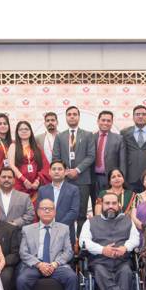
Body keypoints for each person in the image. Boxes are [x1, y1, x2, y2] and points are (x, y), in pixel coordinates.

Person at [17, 199, 77, 290]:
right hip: (35, 265)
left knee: (72, 278)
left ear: (55, 212)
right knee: (21, 281)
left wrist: (55, 264)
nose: (47, 211)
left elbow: (68, 252)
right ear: (38, 212)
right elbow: (23, 253)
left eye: (50, 208)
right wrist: (39, 264)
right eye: (44, 208)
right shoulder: (27, 229)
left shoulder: (63, 228)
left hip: (56, 265)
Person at [80, 192, 140, 290]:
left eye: (114, 203)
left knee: (126, 271)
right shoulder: (91, 222)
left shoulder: (127, 220)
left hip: (122, 261)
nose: (110, 206)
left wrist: (125, 247)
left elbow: (135, 239)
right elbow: (83, 242)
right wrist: (102, 250)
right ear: (102, 205)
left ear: (119, 205)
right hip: (100, 262)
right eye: (107, 203)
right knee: (100, 271)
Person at [52, 105, 95, 237]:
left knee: (81, 214)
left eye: (74, 114)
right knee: (65, 213)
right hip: (65, 180)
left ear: (79, 117)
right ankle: (66, 242)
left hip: (83, 180)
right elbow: (56, 157)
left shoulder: (88, 135)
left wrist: (77, 170)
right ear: (66, 117)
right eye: (69, 114)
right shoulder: (60, 137)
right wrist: (65, 172)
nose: (72, 116)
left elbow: (91, 156)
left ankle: (80, 243)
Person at [6, 120, 51, 205]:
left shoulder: (37, 148)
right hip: (19, 184)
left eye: (26, 129)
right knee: (20, 208)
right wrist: (24, 180)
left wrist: (37, 181)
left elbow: (45, 167)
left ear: (31, 131)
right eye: (21, 129)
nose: (24, 131)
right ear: (17, 132)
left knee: (35, 209)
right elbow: (11, 165)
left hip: (35, 186)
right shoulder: (13, 146)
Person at [37, 160, 80, 245]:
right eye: (54, 169)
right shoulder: (42, 190)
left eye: (60, 169)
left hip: (66, 231)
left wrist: (58, 227)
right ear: (49, 172)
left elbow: (74, 212)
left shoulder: (73, 189)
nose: (56, 171)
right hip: (46, 231)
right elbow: (39, 210)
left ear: (65, 172)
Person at [91, 110, 126, 206]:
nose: (105, 123)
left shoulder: (119, 139)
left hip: (111, 179)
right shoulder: (90, 137)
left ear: (112, 122)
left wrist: (121, 179)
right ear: (98, 121)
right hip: (93, 178)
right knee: (96, 205)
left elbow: (122, 162)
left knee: (111, 205)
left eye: (108, 121)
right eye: (103, 120)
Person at [121, 105, 146, 193]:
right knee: (131, 201)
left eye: (143, 114)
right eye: (137, 114)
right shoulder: (124, 133)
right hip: (130, 177)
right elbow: (122, 155)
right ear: (133, 117)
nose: (141, 116)